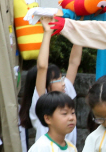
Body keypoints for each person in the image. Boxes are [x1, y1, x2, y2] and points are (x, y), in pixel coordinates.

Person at [19, 15, 82, 145]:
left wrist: (79, 29)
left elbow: (74, 63)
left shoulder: (66, 93)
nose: (63, 82)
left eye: (62, 78)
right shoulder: (42, 103)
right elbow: (42, 67)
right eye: (58, 80)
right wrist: (47, 32)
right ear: (47, 86)